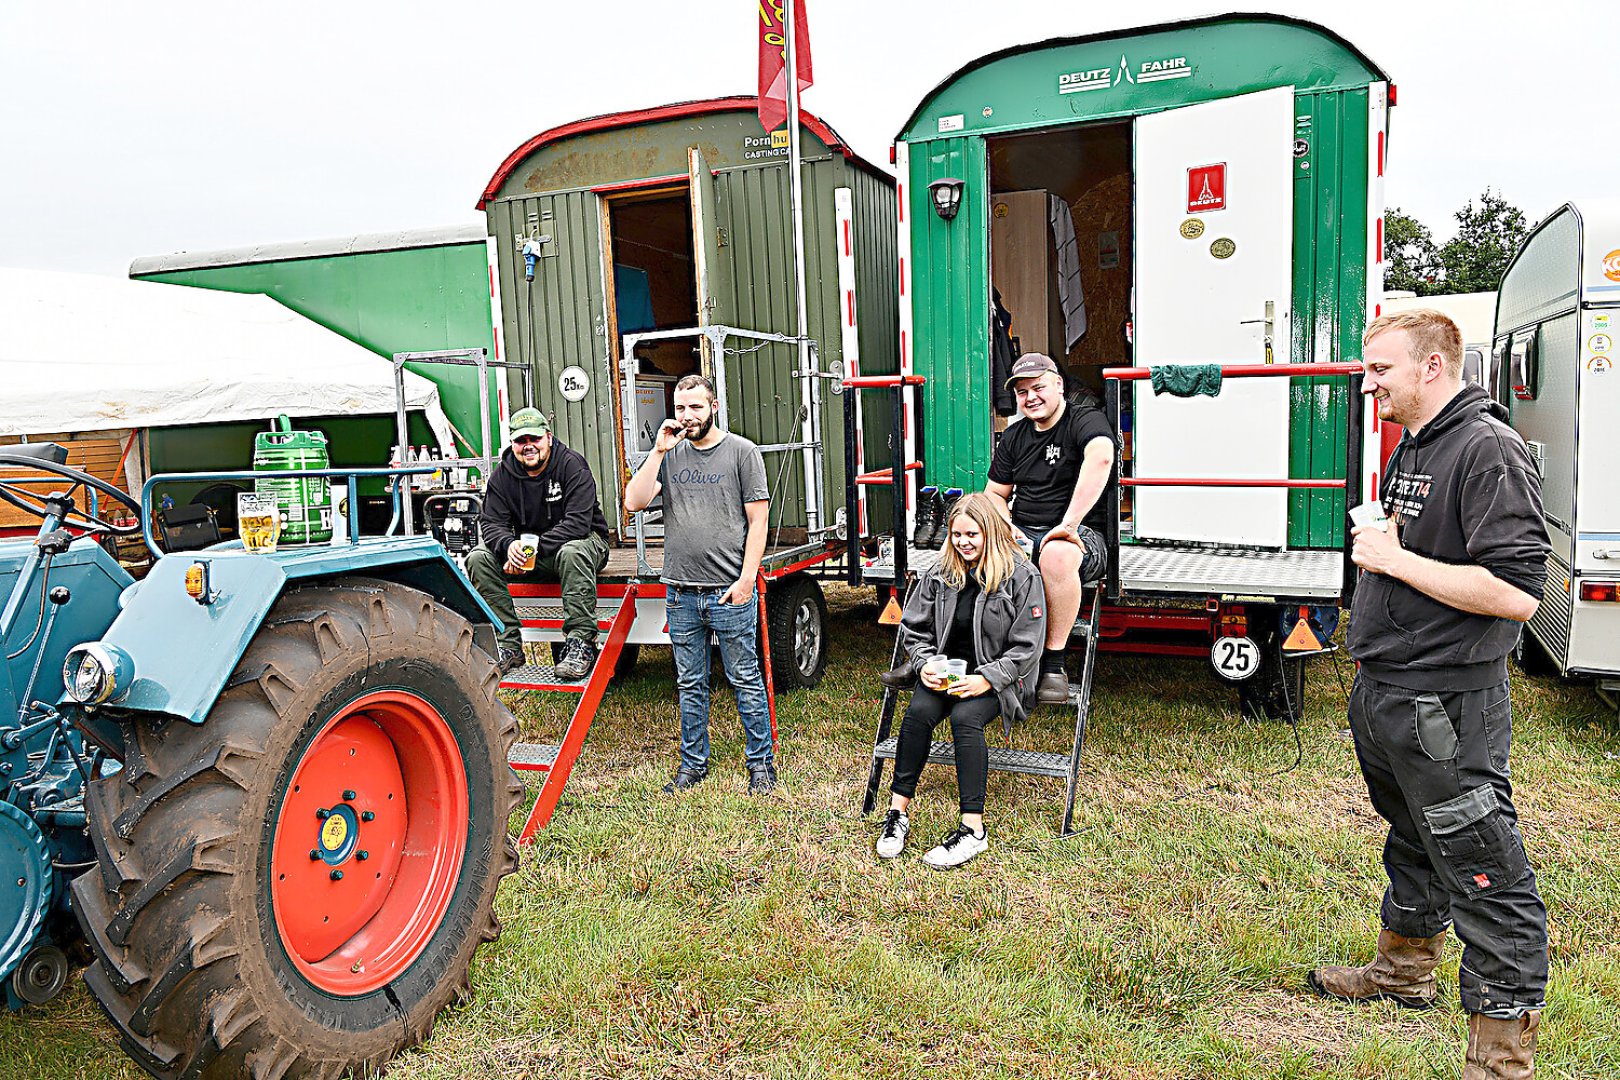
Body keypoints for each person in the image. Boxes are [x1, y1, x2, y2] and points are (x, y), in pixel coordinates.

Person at [1309, 310, 1550, 1079]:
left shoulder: (1487, 449)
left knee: (1484, 868)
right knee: (1413, 839)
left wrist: (1393, 559)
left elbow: (1517, 593)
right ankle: (1403, 974)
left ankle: (1500, 1062)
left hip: (1446, 705)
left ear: (1433, 368)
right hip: (1389, 693)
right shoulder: (1418, 443)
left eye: (1380, 368)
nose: (1367, 380)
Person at [623, 374, 776, 795]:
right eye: (681, 407)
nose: (687, 416)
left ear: (713, 407)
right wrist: (656, 452)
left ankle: (760, 765)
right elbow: (633, 502)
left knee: (744, 678)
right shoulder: (669, 455)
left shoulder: (743, 453)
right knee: (690, 683)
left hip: (729, 590)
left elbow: (758, 521)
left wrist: (747, 580)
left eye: (696, 407)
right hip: (681, 592)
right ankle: (693, 765)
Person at [876, 492, 1046, 870]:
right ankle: (897, 814)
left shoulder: (1021, 576)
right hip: (947, 671)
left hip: (999, 677)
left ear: (991, 532)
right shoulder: (941, 572)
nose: (963, 543)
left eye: (972, 534)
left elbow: (1027, 647)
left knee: (964, 720)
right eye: (955, 534)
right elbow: (914, 629)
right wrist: (923, 666)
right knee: (918, 713)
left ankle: (973, 830)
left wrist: (987, 680)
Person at [985, 353, 1115, 705]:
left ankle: (1053, 667)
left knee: (1056, 554)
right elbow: (995, 494)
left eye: (1038, 387)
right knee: (970, 551)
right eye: (1023, 392)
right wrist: (1008, 528)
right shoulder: (1014, 436)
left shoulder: (1084, 419)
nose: (1031, 398)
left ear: (1058, 384)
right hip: (1025, 531)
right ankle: (949, 653)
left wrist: (1068, 524)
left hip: (1082, 535)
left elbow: (1102, 456)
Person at [467, 407, 610, 680]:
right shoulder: (502, 476)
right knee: (478, 558)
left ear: (549, 438)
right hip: (533, 552)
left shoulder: (571, 465)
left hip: (585, 543)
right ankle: (506, 644)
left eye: (535, 438)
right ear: (512, 444)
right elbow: (491, 523)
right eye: (521, 441)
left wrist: (529, 550)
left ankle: (581, 643)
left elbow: (578, 524)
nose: (528, 446)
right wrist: (509, 547)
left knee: (573, 551)